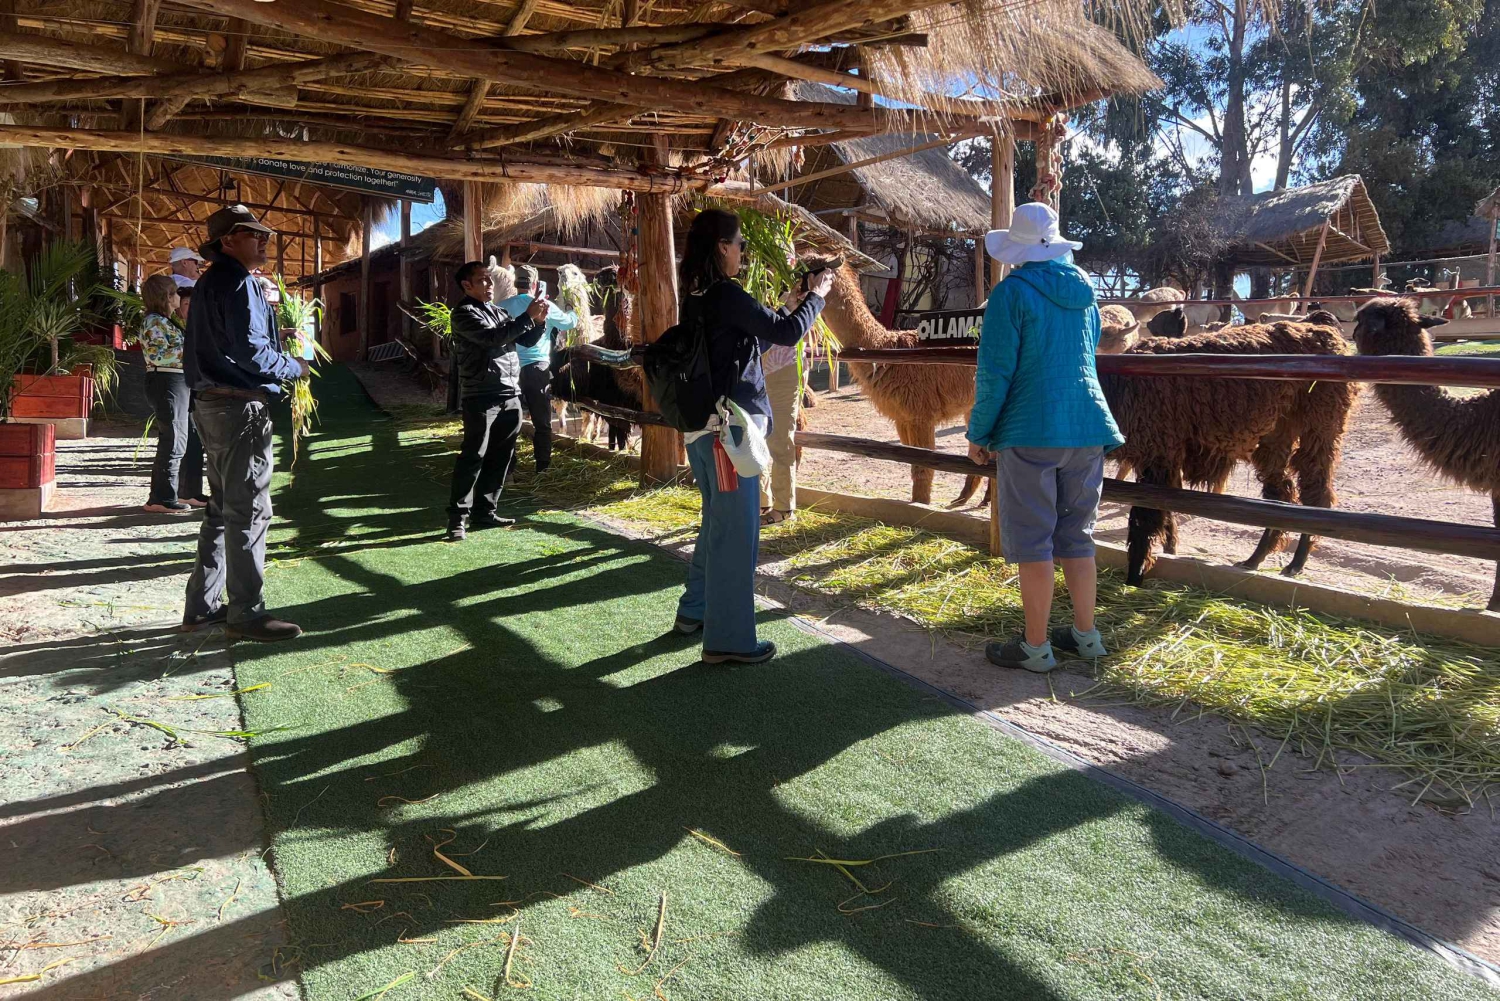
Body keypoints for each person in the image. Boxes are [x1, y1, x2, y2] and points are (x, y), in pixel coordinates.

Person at [966, 202, 1124, 673]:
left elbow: (994, 372)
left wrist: (978, 432)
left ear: (1017, 249)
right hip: (1087, 428)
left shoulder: (1010, 294)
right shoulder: (1085, 293)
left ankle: (1036, 646)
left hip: (1030, 430)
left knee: (1035, 541)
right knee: (1078, 535)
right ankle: (1085, 635)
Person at [673, 209, 833, 664]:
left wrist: (789, 301)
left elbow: (753, 341)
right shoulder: (726, 294)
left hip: (705, 434)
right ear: (722, 247)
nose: (743, 249)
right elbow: (786, 333)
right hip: (731, 438)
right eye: (739, 242)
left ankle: (695, 611)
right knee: (738, 537)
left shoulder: (699, 295)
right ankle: (729, 641)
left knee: (716, 528)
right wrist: (816, 298)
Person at [181, 205, 310, 642]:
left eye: (264, 234)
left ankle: (201, 607)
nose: (263, 241)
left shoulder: (209, 282)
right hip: (237, 408)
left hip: (211, 403)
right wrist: (293, 366)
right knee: (249, 510)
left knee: (222, 509)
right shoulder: (239, 281)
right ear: (227, 241)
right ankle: (246, 613)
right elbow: (252, 354)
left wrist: (276, 340)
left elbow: (231, 342)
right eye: (252, 234)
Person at [445, 260, 549, 542]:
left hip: (509, 393)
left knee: (501, 456)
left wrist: (539, 322)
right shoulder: (464, 314)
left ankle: (485, 511)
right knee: (473, 456)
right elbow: (492, 338)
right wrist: (527, 317)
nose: (489, 285)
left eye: (490, 280)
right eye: (482, 280)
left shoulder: (499, 311)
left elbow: (524, 340)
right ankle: (457, 520)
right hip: (481, 395)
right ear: (467, 285)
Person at [496, 265, 577, 474]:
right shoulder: (544, 305)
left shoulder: (500, 306)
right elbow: (569, 324)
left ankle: (509, 468)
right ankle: (542, 467)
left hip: (509, 368)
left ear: (516, 284)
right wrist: (571, 310)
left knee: (509, 419)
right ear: (534, 284)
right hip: (536, 369)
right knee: (542, 420)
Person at [139, 274, 206, 513]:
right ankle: (161, 498)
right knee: (173, 440)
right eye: (176, 293)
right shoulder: (154, 322)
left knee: (186, 438)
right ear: (167, 297)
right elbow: (159, 354)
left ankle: (184, 491)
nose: (179, 297)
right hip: (166, 380)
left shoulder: (165, 322)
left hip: (178, 381)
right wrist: (194, 350)